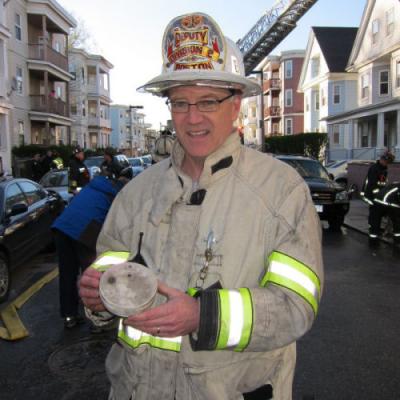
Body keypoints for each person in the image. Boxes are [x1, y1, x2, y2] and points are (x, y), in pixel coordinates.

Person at [79, 12, 323, 400]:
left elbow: (296, 305)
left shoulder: (281, 191)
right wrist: (100, 297)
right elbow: (112, 274)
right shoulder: (136, 193)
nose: (193, 118)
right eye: (180, 103)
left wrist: (204, 315)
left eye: (208, 101)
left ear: (236, 104)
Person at [53, 168, 133, 328]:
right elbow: (117, 226)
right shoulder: (117, 195)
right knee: (94, 275)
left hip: (62, 227)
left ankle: (69, 317)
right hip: (85, 230)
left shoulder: (94, 186)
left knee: (67, 274)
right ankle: (96, 322)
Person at [360, 152, 392, 244]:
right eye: (386, 161)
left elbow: (383, 183)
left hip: (379, 197)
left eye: (388, 162)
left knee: (376, 216)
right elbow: (372, 185)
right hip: (372, 196)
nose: (387, 163)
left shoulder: (384, 169)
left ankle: (375, 233)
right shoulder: (375, 168)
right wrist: (378, 196)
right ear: (382, 160)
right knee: (375, 217)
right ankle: (373, 240)